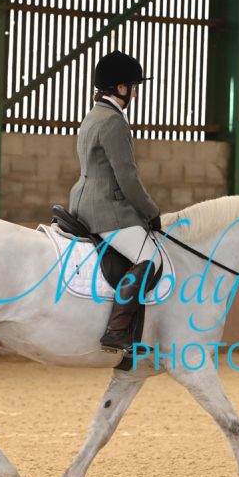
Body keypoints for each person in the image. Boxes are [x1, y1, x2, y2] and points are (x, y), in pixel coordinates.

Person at [69, 50, 163, 352]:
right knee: (151, 258)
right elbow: (127, 178)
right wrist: (150, 211)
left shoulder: (93, 116)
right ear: (120, 87)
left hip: (82, 202)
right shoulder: (113, 122)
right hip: (105, 209)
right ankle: (117, 330)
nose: (134, 94)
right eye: (133, 87)